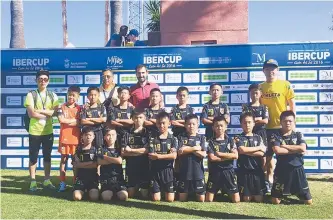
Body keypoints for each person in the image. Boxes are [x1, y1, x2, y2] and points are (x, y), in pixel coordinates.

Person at [259, 59, 296, 192]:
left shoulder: (285, 84)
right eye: (268, 69)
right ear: (264, 71)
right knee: (267, 158)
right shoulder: (260, 87)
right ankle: (269, 181)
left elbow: (292, 105)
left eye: (273, 69)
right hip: (266, 128)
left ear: (277, 70)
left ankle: (286, 183)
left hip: (282, 128)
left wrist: (292, 124)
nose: (271, 71)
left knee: (285, 158)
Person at [24, 70, 59, 192]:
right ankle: (33, 182)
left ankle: (47, 180)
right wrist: (46, 113)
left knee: (47, 157)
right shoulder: (31, 94)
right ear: (36, 80)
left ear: (48, 81)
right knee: (33, 157)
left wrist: (40, 111)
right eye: (40, 79)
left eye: (45, 79)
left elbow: (55, 112)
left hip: (48, 131)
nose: (42, 81)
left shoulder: (52, 95)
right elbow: (31, 114)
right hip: (34, 131)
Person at [271, 111, 312, 205]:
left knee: (308, 202)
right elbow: (277, 151)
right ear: (280, 122)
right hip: (282, 169)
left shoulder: (298, 134)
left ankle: (298, 192)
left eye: (290, 121)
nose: (288, 123)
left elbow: (302, 148)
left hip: (297, 169)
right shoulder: (275, 135)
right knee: (275, 201)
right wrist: (295, 149)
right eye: (285, 121)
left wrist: (285, 146)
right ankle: (283, 193)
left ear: (294, 122)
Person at [206, 116, 240, 203]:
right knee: (208, 200)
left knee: (236, 200)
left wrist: (220, 155)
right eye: (217, 126)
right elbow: (212, 158)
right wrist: (228, 157)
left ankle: (227, 190)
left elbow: (235, 156)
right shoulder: (211, 142)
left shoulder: (230, 141)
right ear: (213, 128)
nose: (219, 128)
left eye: (221, 125)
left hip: (229, 172)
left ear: (226, 127)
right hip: (215, 172)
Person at [235, 112, 266, 203]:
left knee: (258, 199)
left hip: (257, 171)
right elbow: (241, 150)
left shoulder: (259, 137)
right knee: (246, 199)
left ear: (254, 123)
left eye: (249, 122)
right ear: (241, 124)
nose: (247, 125)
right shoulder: (238, 137)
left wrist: (247, 151)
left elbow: (262, 154)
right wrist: (259, 148)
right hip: (244, 171)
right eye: (244, 122)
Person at [242, 83, 269, 189]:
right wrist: (258, 119)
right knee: (248, 155)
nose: (254, 94)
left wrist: (254, 119)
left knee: (263, 157)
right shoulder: (245, 106)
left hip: (261, 133)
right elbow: (245, 120)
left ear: (260, 94)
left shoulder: (264, 107)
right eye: (252, 92)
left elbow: (265, 121)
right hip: (248, 133)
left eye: (256, 92)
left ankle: (264, 180)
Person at [148, 112, 178, 202]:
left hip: (168, 171)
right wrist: (167, 155)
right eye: (159, 123)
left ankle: (167, 190)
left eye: (164, 123)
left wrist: (159, 156)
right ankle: (153, 190)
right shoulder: (152, 138)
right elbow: (152, 156)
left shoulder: (173, 139)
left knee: (170, 200)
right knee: (156, 199)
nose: (161, 125)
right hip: (155, 170)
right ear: (156, 123)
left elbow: (174, 156)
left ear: (169, 123)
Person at [121, 110, 150, 199]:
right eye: (136, 118)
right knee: (130, 195)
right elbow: (123, 152)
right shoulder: (127, 133)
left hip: (144, 165)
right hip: (131, 166)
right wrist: (140, 152)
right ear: (132, 119)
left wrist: (131, 151)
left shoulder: (148, 133)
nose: (138, 120)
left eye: (141, 117)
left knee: (145, 195)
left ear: (144, 119)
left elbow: (147, 150)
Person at [57, 86, 81, 192]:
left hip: (76, 139)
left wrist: (73, 121)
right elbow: (61, 119)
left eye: (74, 95)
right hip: (64, 138)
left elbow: (80, 121)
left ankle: (75, 182)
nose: (71, 97)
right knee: (63, 161)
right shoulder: (61, 106)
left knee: (75, 162)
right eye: (69, 94)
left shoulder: (80, 108)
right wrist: (73, 121)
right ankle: (62, 182)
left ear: (78, 96)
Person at [178, 114, 207, 202]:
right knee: (182, 199)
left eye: (193, 124)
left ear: (198, 124)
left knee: (201, 200)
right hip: (184, 172)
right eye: (189, 124)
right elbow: (180, 152)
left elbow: (203, 154)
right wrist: (195, 148)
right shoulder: (181, 137)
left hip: (198, 173)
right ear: (185, 125)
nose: (191, 126)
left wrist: (186, 148)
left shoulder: (202, 138)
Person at [97, 128, 128, 201]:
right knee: (106, 198)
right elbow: (99, 162)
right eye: (108, 135)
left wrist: (104, 157)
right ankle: (108, 193)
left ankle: (115, 193)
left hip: (118, 179)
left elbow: (120, 161)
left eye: (113, 135)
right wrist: (115, 160)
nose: (111, 137)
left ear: (116, 136)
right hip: (106, 179)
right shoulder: (101, 149)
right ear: (104, 137)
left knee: (124, 197)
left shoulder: (119, 149)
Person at [72, 126, 99, 201]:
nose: (88, 137)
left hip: (92, 178)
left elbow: (96, 165)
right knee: (76, 197)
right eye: (86, 135)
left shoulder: (96, 150)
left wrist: (81, 164)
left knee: (94, 197)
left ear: (93, 137)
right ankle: (82, 191)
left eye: (90, 135)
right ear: (82, 136)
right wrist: (90, 163)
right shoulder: (78, 150)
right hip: (81, 178)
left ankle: (88, 191)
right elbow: (76, 165)